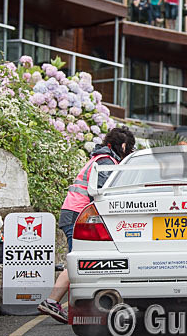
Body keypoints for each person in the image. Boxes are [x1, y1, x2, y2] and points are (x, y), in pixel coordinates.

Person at [37, 127, 136, 323]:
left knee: (77, 261)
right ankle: (52, 301)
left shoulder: (99, 159)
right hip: (77, 215)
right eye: (128, 148)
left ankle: (57, 303)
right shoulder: (106, 163)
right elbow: (105, 194)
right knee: (77, 263)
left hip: (72, 213)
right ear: (123, 146)